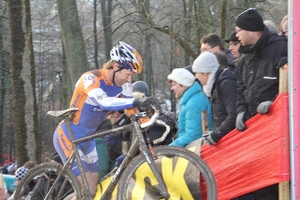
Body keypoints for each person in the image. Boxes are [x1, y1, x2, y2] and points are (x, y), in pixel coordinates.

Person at [53, 41, 160, 198]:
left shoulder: (123, 84)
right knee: (81, 187)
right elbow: (104, 102)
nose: (129, 81)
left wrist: (148, 121)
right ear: (116, 66)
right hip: (69, 135)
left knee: (91, 191)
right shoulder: (91, 79)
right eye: (128, 74)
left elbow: (131, 111)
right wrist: (135, 101)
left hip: (88, 139)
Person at [234, 8, 287, 200]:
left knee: (271, 182)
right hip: (253, 127)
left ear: (251, 30)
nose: (237, 35)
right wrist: (240, 111)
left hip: (275, 130)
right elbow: (240, 86)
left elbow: (289, 81)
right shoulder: (245, 55)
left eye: (239, 30)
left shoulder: (280, 47)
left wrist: (274, 104)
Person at [192, 52, 236, 145]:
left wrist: (218, 134)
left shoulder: (226, 84)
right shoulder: (215, 85)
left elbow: (233, 114)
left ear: (206, 72)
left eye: (197, 73)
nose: (196, 77)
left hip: (231, 140)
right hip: (224, 138)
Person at [167, 68, 212, 147]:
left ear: (183, 84)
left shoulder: (193, 104)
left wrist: (171, 148)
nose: (172, 88)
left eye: (174, 85)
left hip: (198, 149)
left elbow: (193, 135)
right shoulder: (189, 99)